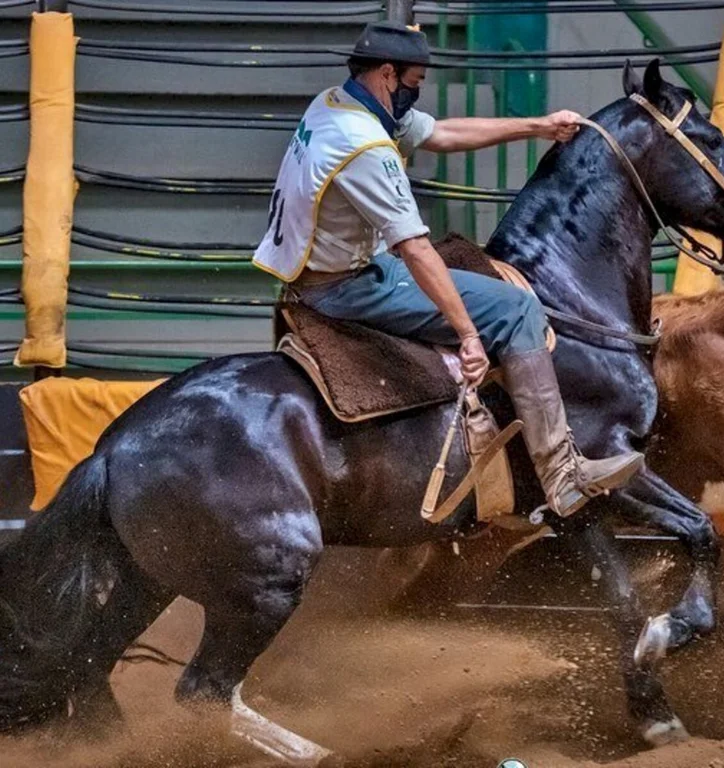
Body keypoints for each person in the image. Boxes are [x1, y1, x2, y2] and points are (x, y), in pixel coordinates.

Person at [254, 21, 643, 517]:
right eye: (414, 83)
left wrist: (539, 126)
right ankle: (562, 475)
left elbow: (442, 133)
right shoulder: (366, 147)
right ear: (388, 74)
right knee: (519, 310)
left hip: (317, 273)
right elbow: (415, 250)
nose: (416, 95)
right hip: (350, 286)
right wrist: (469, 335)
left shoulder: (336, 103)